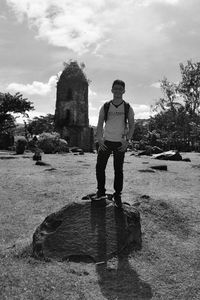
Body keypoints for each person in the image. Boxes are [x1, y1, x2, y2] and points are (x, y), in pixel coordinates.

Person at [96, 79, 135, 207]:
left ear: (124, 91)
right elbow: (100, 123)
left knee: (118, 169)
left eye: (120, 88)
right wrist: (100, 139)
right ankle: (101, 192)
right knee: (100, 167)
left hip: (120, 143)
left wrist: (127, 141)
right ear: (112, 90)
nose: (118, 90)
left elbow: (132, 125)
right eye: (115, 88)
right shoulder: (106, 106)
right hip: (106, 141)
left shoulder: (127, 107)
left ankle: (117, 194)